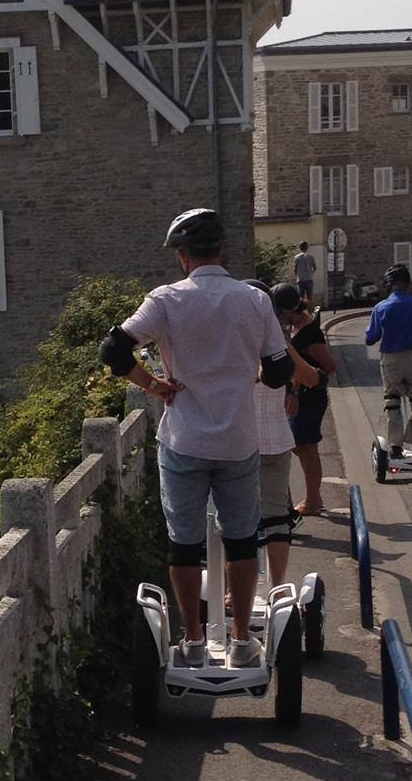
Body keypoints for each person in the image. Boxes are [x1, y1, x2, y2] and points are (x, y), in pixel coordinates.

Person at [99, 209, 294, 667]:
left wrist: (153, 385)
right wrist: (247, 373)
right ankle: (242, 640)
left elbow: (113, 350)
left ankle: (190, 640)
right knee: (242, 539)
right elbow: (280, 369)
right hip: (239, 441)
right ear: (221, 249)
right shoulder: (254, 300)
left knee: (184, 544)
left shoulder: (166, 300)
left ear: (182, 256)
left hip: (184, 439)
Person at [243, 280, 321, 591]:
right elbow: (310, 376)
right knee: (276, 518)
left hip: (238, 442)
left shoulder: (230, 339)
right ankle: (277, 588)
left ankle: (236, 592)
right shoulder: (277, 341)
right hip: (276, 439)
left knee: (238, 521)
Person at [364, 264, 412, 457]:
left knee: (392, 401)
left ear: (387, 284)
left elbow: (370, 338)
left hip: (391, 359)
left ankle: (395, 446)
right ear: (407, 283)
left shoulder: (381, 307)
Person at [279, 285, 338, 513]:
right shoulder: (297, 328)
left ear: (288, 311)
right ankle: (314, 498)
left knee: (306, 447)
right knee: (300, 446)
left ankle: (314, 500)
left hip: (309, 398)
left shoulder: (310, 333)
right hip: (301, 397)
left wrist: (298, 386)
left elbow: (329, 366)